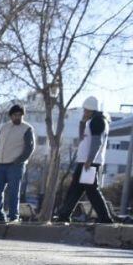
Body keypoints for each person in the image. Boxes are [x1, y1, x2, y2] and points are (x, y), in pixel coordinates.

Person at [56, 96, 114, 224]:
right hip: (84, 161)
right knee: (75, 189)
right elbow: (82, 137)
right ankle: (63, 215)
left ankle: (105, 219)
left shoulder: (97, 121)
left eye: (86, 110)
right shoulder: (92, 121)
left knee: (92, 191)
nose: (84, 112)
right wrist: (82, 122)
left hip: (89, 162)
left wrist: (89, 160)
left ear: (93, 110)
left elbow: (96, 142)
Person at [0, 104, 35, 224]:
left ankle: (14, 216)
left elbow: (30, 147)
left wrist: (19, 160)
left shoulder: (27, 128)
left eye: (20, 115)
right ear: (10, 116)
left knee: (14, 191)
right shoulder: (4, 127)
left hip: (16, 165)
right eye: (15, 115)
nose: (18, 117)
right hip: (1, 164)